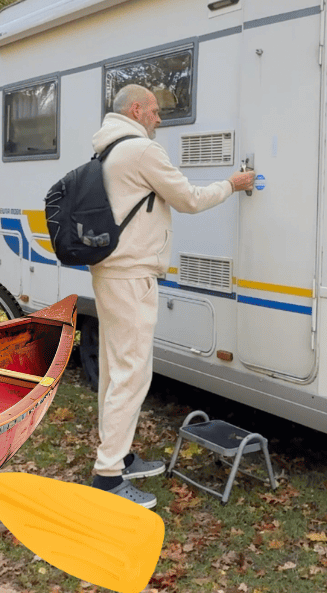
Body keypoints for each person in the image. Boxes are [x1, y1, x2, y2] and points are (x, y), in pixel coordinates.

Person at [88, 83, 256, 508]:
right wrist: (232, 184)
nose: (161, 120)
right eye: (157, 112)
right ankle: (107, 476)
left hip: (110, 271)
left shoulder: (106, 147)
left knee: (114, 369)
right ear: (138, 109)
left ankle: (120, 455)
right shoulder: (141, 150)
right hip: (131, 275)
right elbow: (189, 199)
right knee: (133, 373)